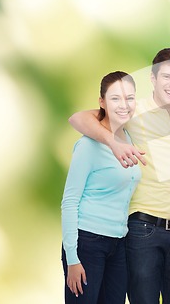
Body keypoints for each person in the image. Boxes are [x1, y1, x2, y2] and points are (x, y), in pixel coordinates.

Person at [68, 48, 170, 304]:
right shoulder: (132, 110)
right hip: (143, 228)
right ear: (153, 80)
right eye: (166, 76)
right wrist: (113, 143)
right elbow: (78, 118)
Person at [61, 71, 141, 304]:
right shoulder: (88, 145)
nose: (123, 105)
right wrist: (72, 258)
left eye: (129, 98)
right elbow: (69, 201)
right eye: (115, 98)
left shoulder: (129, 136)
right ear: (102, 102)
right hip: (87, 244)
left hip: (118, 243)